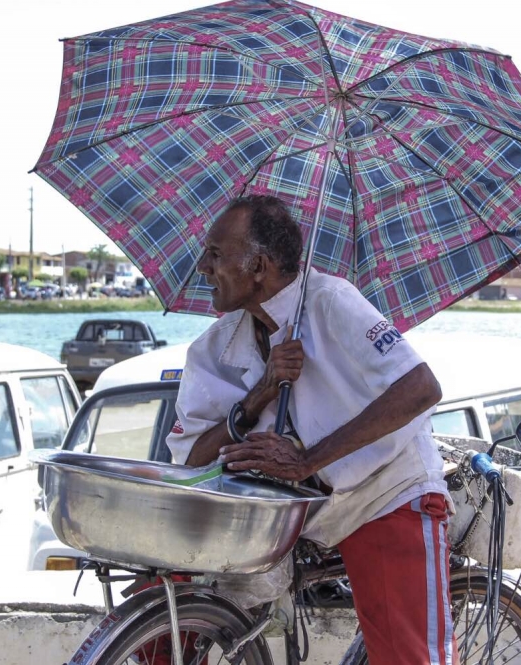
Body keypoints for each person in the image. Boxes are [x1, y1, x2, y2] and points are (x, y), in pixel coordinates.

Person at [166, 195, 456, 665]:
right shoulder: (214, 346)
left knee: (405, 655)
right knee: (167, 583)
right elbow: (191, 460)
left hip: (382, 493)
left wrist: (306, 460)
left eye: (215, 255)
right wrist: (258, 396)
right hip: (294, 510)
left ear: (258, 266)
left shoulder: (332, 301)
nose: (202, 267)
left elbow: (421, 388)